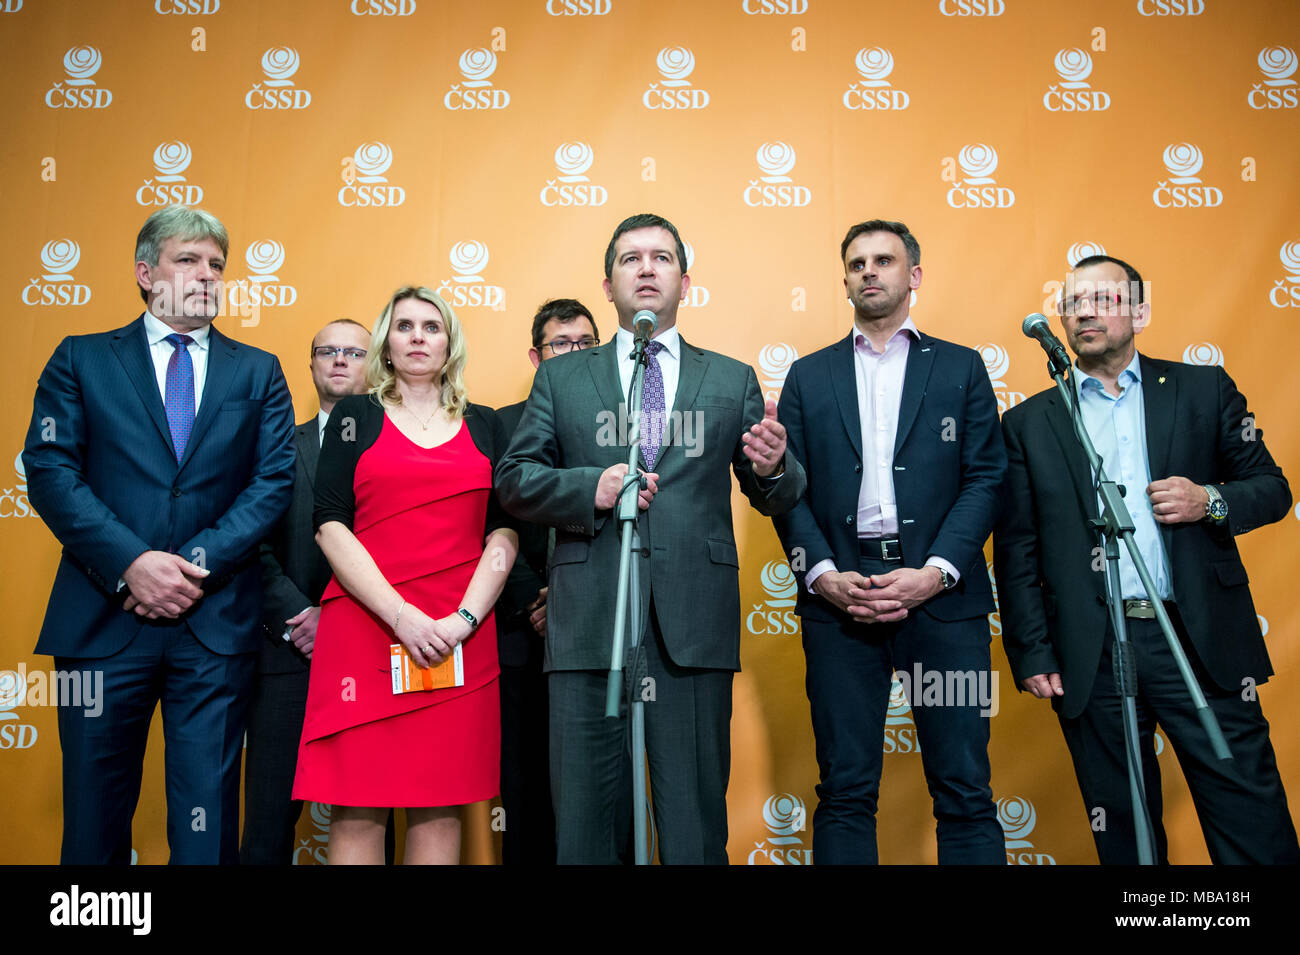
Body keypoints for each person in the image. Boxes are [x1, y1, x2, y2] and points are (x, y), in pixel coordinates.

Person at [496, 213, 806, 864]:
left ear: (684, 281)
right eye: (630, 258)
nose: (645, 267)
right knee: (582, 831)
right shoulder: (561, 378)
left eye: (661, 257)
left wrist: (776, 464)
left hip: (690, 628)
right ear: (608, 284)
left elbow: (775, 494)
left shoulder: (730, 378)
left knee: (693, 827)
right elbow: (515, 481)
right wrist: (591, 488)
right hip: (587, 630)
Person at [993, 254, 1300, 864]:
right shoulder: (1028, 423)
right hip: (1094, 649)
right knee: (1125, 836)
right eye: (1073, 301)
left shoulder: (1202, 390)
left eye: (1103, 298)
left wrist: (1209, 500)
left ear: (1141, 310)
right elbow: (1017, 548)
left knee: (1251, 821)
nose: (1084, 310)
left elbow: (1272, 489)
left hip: (1199, 640)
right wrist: (1032, 650)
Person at [22, 205, 296, 864]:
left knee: (206, 828)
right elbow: (51, 471)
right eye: (188, 259)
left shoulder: (257, 371)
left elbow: (272, 483)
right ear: (146, 273)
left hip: (213, 622)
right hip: (100, 619)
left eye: (217, 265)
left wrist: (188, 565)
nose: (207, 275)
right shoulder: (80, 359)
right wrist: (132, 563)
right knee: (92, 823)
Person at [772, 219, 1006, 865]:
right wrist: (821, 575)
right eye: (856, 263)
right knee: (845, 789)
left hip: (945, 606)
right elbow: (787, 492)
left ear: (914, 276)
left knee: (965, 786)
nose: (869, 271)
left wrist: (935, 571)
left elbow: (987, 477)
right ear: (844, 278)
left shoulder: (961, 367)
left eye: (884, 260)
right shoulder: (808, 376)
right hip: (840, 605)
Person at [293, 286, 518, 865]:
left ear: (451, 343)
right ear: (386, 345)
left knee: (440, 804)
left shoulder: (487, 424)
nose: (418, 337)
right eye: (404, 326)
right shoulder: (354, 416)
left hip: (454, 636)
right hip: (368, 627)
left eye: (432, 326)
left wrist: (462, 621)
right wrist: (401, 615)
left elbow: (504, 534)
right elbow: (329, 525)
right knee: (358, 805)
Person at [240, 319, 372, 865]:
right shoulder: (274, 447)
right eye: (328, 351)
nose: (339, 360)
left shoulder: (403, 448)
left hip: (372, 651)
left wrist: (338, 617)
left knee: (371, 812)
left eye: (354, 351)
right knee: (268, 819)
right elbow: (250, 544)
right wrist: (301, 615)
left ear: (376, 362)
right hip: (286, 653)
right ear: (312, 362)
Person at [494, 298, 602, 865]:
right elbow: (491, 523)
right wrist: (535, 600)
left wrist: (570, 598)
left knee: (601, 789)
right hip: (520, 635)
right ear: (538, 356)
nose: (574, 354)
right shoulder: (499, 423)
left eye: (587, 343)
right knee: (527, 788)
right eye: (562, 344)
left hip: (599, 631)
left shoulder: (619, 421)